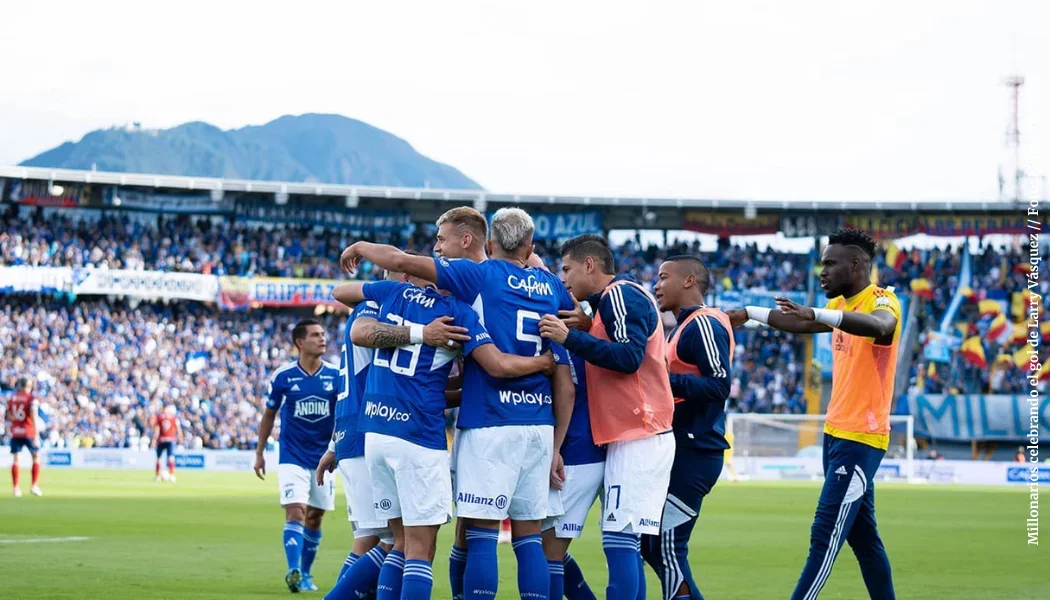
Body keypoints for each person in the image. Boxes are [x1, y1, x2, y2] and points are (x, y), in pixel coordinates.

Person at [340, 207, 575, 600]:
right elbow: (572, 345)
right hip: (538, 422)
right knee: (529, 537)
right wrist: (556, 438)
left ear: (485, 242)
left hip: (488, 422)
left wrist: (361, 245)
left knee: (472, 536)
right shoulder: (551, 286)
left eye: (440, 240)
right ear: (529, 245)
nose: (437, 249)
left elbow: (388, 267)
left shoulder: (472, 281)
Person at [727, 228, 899, 600]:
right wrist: (748, 313)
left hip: (861, 439)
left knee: (825, 534)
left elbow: (882, 327)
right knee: (864, 540)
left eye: (830, 264)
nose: (822, 272)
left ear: (856, 266)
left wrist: (819, 312)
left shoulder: (882, 300)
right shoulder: (840, 307)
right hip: (836, 435)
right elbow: (801, 324)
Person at [317, 253, 474, 600]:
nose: (435, 283)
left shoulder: (382, 312)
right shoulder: (379, 312)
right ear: (406, 279)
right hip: (376, 429)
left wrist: (332, 444)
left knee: (388, 542)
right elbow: (360, 330)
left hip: (361, 428)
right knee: (393, 544)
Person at [539, 234, 676, 600]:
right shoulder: (608, 305)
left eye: (567, 269)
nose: (563, 278)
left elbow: (629, 357)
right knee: (624, 542)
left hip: (641, 434)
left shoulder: (620, 295)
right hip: (634, 434)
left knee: (618, 541)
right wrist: (585, 328)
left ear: (589, 265)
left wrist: (570, 337)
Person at [648, 255, 734, 600]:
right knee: (652, 545)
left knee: (667, 547)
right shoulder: (684, 327)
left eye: (664, 276)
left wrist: (660, 380)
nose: (656, 284)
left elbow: (719, 386)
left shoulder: (703, 324)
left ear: (689, 281)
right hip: (682, 448)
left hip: (696, 451)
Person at [255, 319, 340, 593]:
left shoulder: (336, 376)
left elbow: (344, 416)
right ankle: (292, 569)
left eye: (323, 335)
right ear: (300, 343)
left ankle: (305, 573)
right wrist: (259, 454)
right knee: (296, 510)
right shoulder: (283, 376)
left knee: (315, 517)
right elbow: (269, 414)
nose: (322, 339)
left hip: (323, 459)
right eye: (316, 335)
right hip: (292, 456)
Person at [538, 259, 604, 600]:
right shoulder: (582, 331)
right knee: (550, 549)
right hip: (582, 446)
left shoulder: (564, 335)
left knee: (546, 550)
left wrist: (555, 448)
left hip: (577, 451)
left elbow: (567, 390)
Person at [7, 377, 43, 497]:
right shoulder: (31, 399)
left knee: (16, 459)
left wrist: (16, 424)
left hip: (16, 432)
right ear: (28, 386)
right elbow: (34, 417)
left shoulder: (12, 398)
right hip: (29, 432)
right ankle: (33, 486)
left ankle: (16, 488)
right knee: (36, 457)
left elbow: (9, 415)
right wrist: (37, 435)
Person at [152, 405, 181, 483]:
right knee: (167, 458)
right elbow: (177, 428)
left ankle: (159, 476)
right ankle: (170, 475)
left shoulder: (160, 418)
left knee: (161, 458)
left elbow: (157, 430)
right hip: (168, 440)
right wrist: (180, 437)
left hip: (164, 440)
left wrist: (154, 439)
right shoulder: (173, 418)